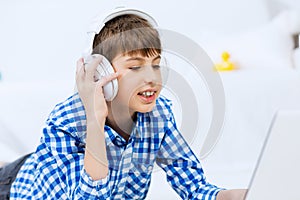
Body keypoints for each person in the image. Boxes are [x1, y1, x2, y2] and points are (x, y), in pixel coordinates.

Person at [1, 7, 247, 199]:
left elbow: (195, 188)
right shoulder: (65, 122)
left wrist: (231, 196)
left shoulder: (157, 115)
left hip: (38, 164)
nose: (151, 78)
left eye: (156, 65)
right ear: (101, 73)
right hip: (15, 186)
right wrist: (95, 121)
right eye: (135, 67)